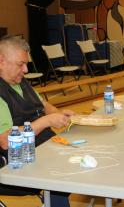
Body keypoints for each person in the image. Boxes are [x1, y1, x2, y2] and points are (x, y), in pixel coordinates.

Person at [0, 35, 74, 207]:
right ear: (1, 61)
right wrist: (47, 121)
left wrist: (61, 114)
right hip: (16, 162)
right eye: (20, 64)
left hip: (44, 150)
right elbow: (5, 141)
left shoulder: (20, 81)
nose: (26, 69)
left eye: (26, 63)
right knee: (62, 174)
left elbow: (43, 105)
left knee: (72, 164)